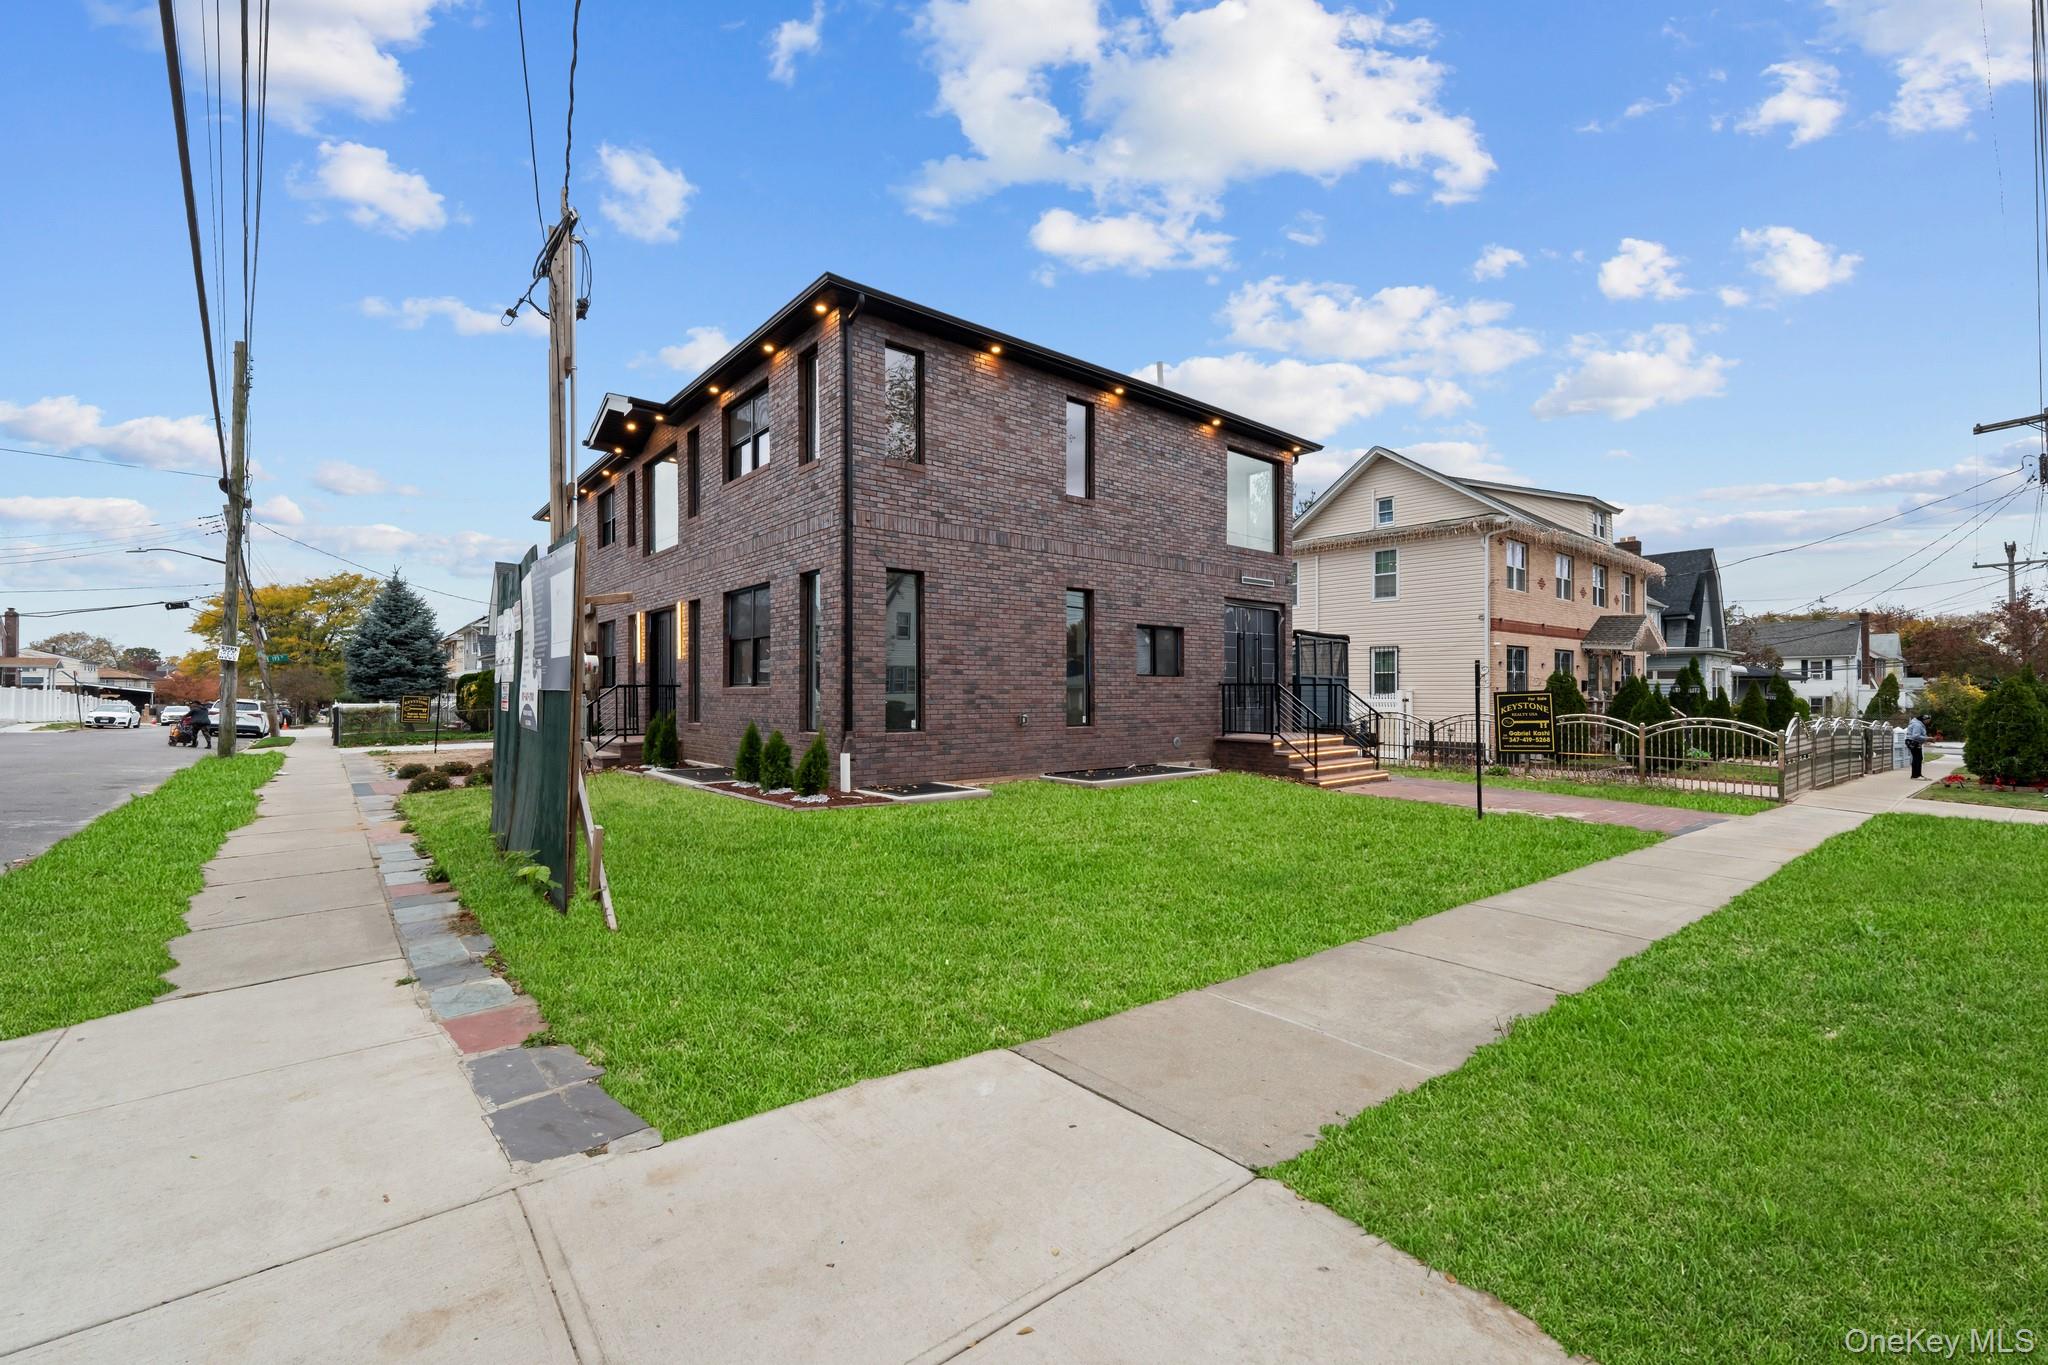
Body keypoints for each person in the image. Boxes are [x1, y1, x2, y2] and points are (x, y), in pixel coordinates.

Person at [1904, 713, 1927, 779]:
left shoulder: (1920, 724)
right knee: (1917, 758)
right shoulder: (1917, 725)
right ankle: (1915, 775)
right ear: (1924, 719)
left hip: (1914, 742)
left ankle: (1918, 774)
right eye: (1928, 720)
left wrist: (1926, 739)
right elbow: (1915, 736)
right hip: (1913, 742)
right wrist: (1927, 738)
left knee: (1919, 758)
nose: (1928, 722)